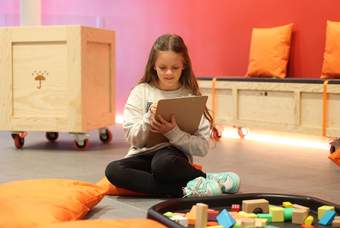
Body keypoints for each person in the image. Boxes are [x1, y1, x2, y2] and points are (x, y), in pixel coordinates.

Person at [105, 34, 240, 197]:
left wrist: (173, 132)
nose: (169, 73)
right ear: (154, 66)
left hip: (171, 159)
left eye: (175, 67)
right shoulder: (141, 92)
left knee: (163, 165)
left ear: (184, 66)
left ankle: (202, 180)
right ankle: (192, 186)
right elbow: (134, 139)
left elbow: (202, 148)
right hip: (142, 155)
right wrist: (148, 119)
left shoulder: (190, 97)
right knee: (113, 170)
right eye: (163, 67)